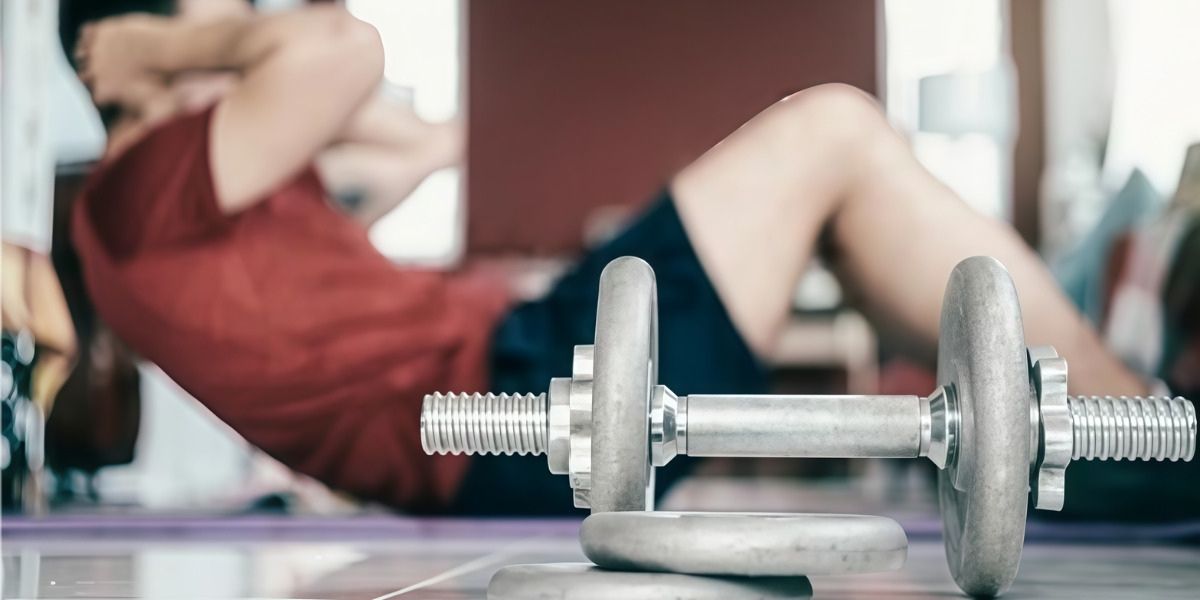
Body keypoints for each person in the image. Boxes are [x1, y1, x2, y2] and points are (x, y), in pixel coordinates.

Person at [62, 1, 1151, 514]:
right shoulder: (142, 191)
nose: (244, 23)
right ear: (125, 49)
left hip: (517, 373)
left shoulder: (194, 201)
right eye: (219, 14)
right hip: (509, 405)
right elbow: (348, 50)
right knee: (831, 134)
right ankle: (1130, 432)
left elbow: (430, 144)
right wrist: (174, 50)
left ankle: (1099, 432)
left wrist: (219, 56)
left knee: (834, 168)